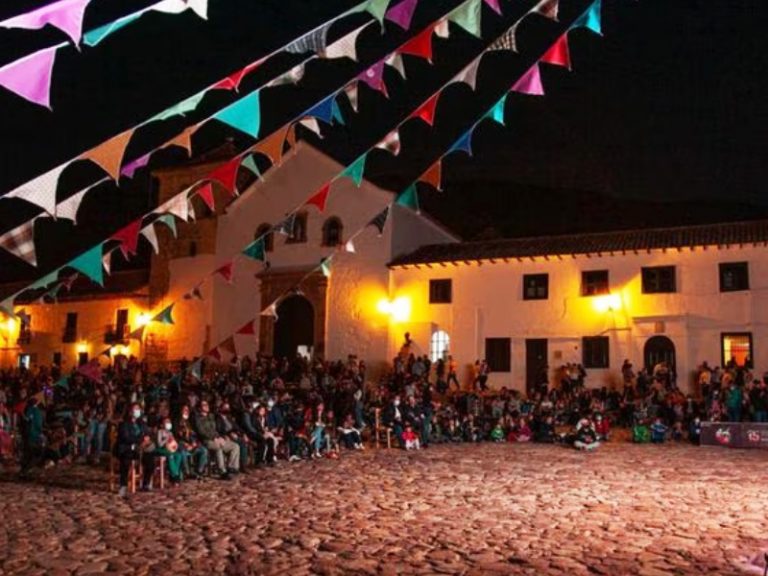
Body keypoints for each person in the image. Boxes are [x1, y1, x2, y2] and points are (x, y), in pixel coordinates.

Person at [116, 403, 156, 497]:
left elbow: (147, 433)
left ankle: (145, 483)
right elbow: (126, 437)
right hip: (127, 448)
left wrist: (147, 438)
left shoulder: (141, 423)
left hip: (140, 448)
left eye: (138, 409)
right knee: (126, 460)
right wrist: (140, 440)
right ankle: (123, 485)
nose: (137, 411)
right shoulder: (124, 424)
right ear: (130, 411)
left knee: (150, 459)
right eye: (135, 409)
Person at [194, 400, 239, 479]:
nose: (207, 406)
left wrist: (219, 437)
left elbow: (215, 430)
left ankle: (231, 468)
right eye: (204, 405)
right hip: (206, 440)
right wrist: (214, 438)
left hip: (217, 438)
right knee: (218, 447)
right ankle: (222, 471)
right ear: (199, 408)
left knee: (235, 446)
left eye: (207, 404)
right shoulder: (197, 418)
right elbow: (201, 432)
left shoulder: (211, 416)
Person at [156, 417, 183, 484]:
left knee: (178, 455)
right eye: (166, 422)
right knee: (170, 455)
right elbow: (159, 444)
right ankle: (175, 475)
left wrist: (174, 443)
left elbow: (173, 443)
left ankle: (173, 474)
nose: (168, 423)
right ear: (162, 424)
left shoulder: (170, 433)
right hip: (161, 449)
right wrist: (166, 439)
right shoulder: (160, 432)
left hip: (169, 449)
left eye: (169, 422)